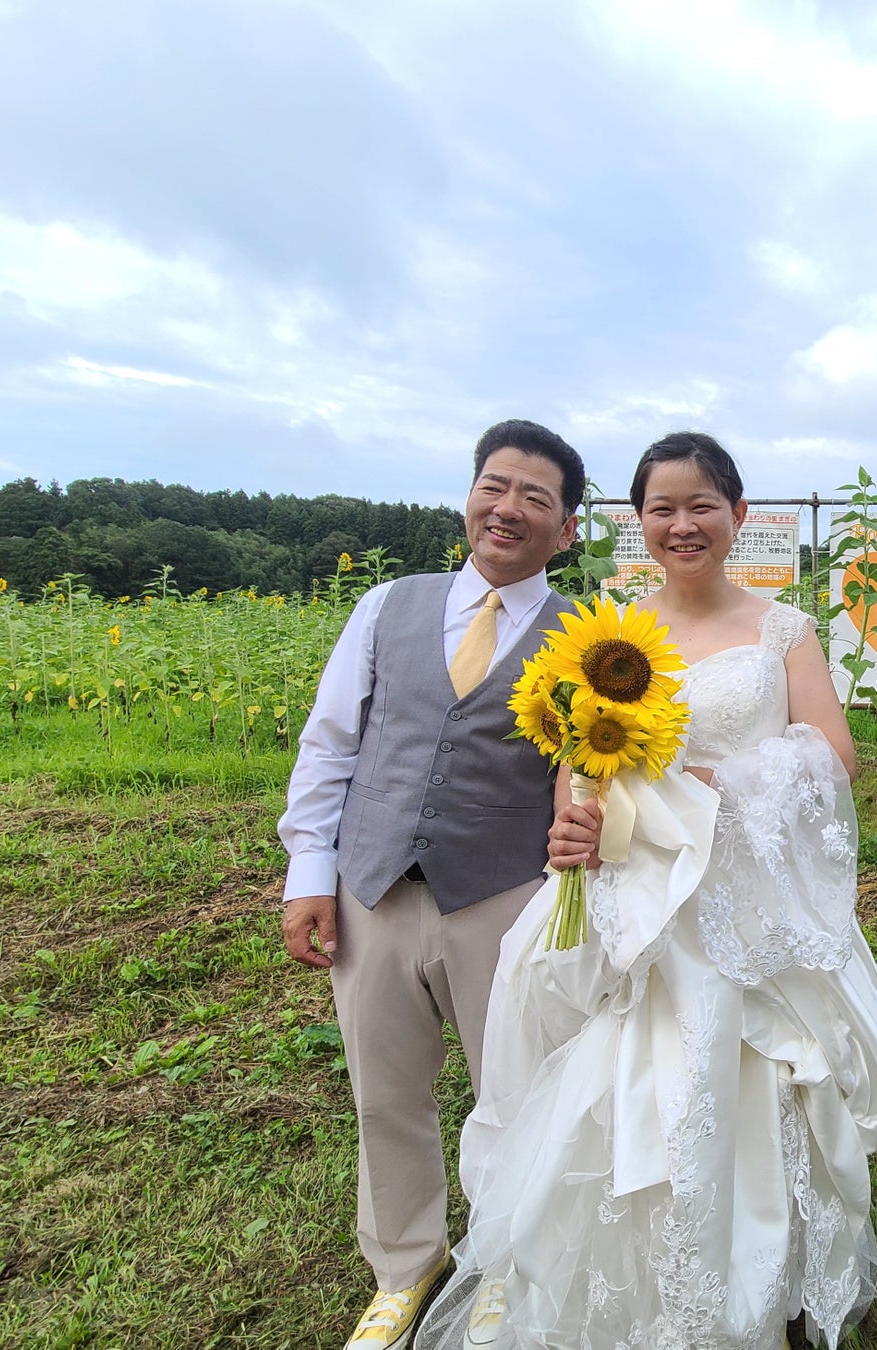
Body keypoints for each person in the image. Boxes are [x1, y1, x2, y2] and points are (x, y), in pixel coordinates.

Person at [416, 432, 877, 1350]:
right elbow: (578, 755)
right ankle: (633, 1279)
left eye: (701, 506)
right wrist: (573, 822)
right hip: (634, 885)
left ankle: (759, 1272)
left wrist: (730, 783)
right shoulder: (606, 632)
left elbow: (833, 756)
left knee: (747, 1066)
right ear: (637, 521)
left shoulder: (784, 631)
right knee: (626, 1075)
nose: (683, 525)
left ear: (739, 515)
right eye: (661, 509)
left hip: (743, 891)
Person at [278, 419, 585, 1350]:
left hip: (503, 895)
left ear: (567, 529)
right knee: (384, 1093)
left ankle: (504, 1264)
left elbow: (591, 773)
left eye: (535, 497)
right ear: (469, 498)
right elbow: (331, 742)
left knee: (516, 1094)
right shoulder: (387, 606)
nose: (509, 509)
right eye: (495, 486)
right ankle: (405, 1268)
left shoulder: (586, 638)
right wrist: (309, 872)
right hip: (371, 887)